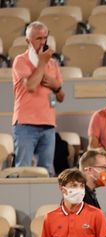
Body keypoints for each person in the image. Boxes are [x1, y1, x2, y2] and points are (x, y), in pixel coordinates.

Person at [11, 21, 65, 175]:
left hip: (48, 124)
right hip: (25, 125)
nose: (43, 42)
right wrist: (42, 62)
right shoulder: (20, 61)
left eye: (45, 38)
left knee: (47, 170)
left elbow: (61, 97)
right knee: (23, 169)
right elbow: (31, 86)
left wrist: (56, 86)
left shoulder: (53, 64)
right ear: (28, 40)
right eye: (38, 38)